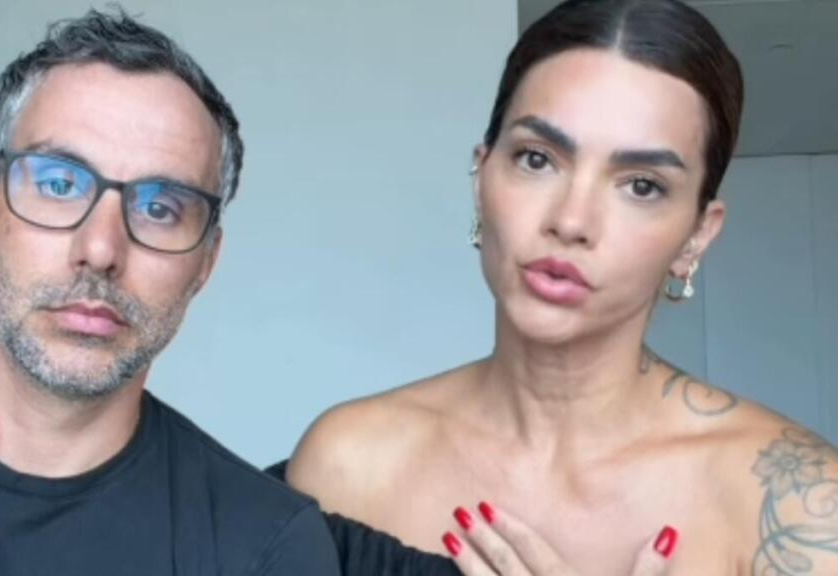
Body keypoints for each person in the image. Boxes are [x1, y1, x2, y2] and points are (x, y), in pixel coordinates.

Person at [283, 0, 838, 574]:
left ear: (696, 236)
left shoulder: (802, 508)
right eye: (537, 159)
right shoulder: (348, 464)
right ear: (481, 177)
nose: (571, 221)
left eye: (641, 186)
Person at [0, 9, 339, 575]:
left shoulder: (266, 546)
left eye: (159, 208)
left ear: (205, 264)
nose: (102, 249)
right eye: (60, 184)